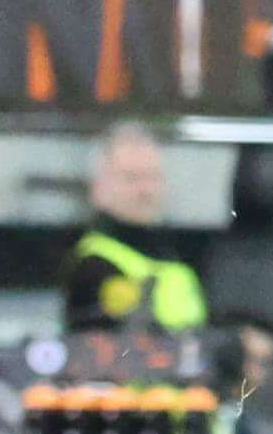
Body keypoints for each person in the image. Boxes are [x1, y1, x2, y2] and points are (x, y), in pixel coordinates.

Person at [61, 122, 211, 336]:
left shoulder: (174, 252)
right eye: (131, 178)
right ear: (98, 188)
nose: (145, 190)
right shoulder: (93, 266)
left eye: (153, 177)